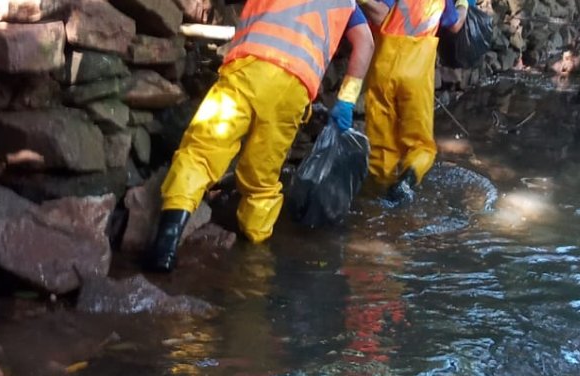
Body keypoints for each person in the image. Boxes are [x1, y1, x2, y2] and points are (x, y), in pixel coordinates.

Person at [147, 0, 376, 272]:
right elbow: (366, 42)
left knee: (202, 151)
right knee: (261, 179)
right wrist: (346, 100)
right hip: (293, 87)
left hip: (248, 67)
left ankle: (166, 245)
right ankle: (255, 262)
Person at [358, 0, 468, 206]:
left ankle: (378, 198)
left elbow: (382, 14)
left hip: (383, 69)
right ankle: (407, 180)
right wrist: (464, 4)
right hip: (416, 74)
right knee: (421, 145)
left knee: (381, 145)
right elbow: (455, 24)